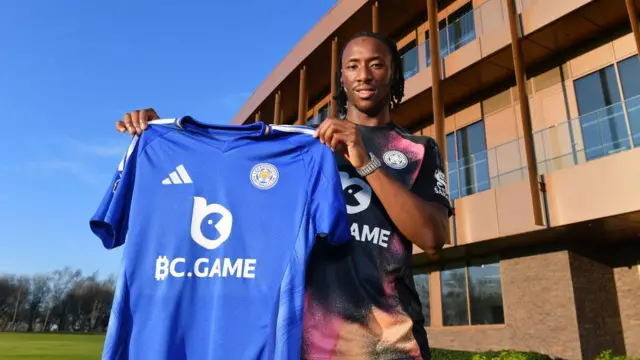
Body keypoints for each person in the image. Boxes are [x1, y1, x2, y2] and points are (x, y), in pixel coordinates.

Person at [115, 31, 451, 360]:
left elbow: (433, 237)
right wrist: (167, 136)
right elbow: (224, 170)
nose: (363, 75)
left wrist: (367, 163)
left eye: (376, 64)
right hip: (305, 344)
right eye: (353, 66)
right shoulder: (306, 145)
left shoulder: (416, 150)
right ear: (341, 79)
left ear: (393, 73)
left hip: (390, 345)